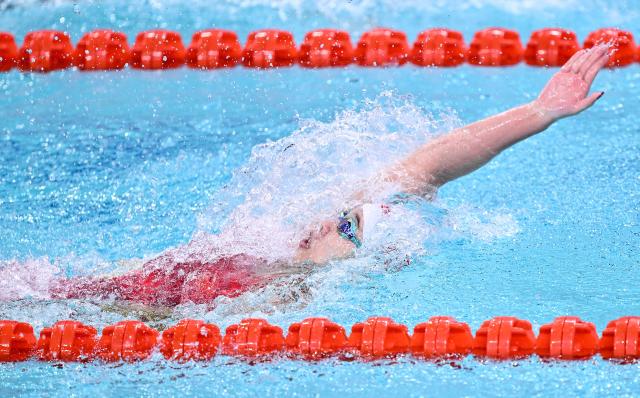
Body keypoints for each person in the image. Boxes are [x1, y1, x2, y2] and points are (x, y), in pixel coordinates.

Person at [52, 45, 610, 307]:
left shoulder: (276, 305)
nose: (327, 224)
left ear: (358, 263)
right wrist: (539, 114)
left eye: (346, 231)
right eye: (343, 217)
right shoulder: (269, 249)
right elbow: (429, 164)